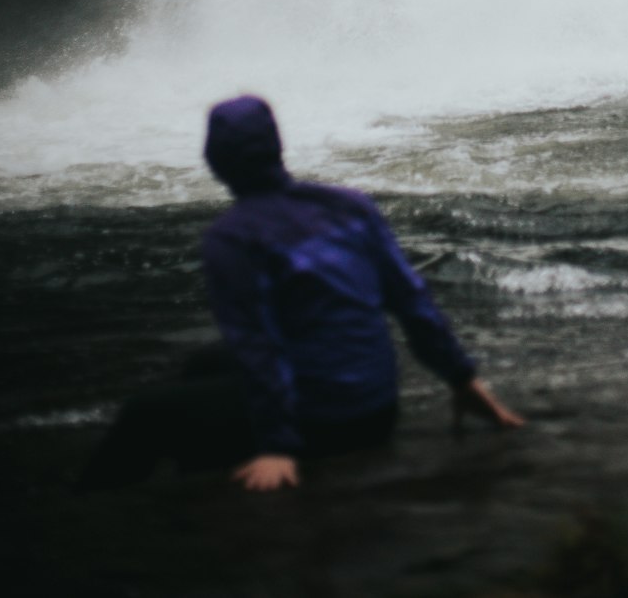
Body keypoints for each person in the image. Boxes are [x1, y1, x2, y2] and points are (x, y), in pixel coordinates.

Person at [81, 95, 522, 491]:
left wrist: (278, 445)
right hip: (378, 406)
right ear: (278, 147)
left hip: (326, 422)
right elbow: (411, 300)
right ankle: (207, 461)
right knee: (204, 363)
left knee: (144, 413)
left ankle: (92, 506)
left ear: (214, 161)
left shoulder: (232, 238)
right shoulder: (350, 205)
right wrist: (463, 381)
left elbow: (259, 344)